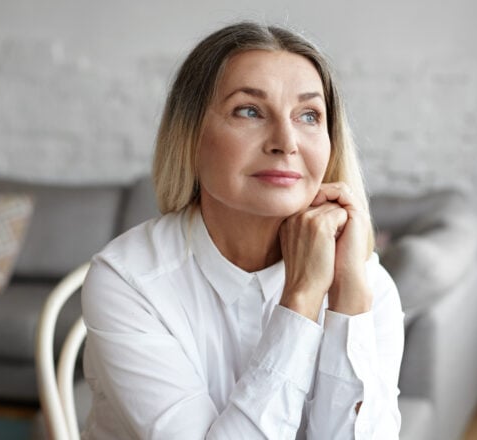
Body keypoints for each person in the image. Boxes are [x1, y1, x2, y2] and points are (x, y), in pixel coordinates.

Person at [81, 21, 404, 439]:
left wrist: (349, 303)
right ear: (190, 135)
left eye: (308, 115)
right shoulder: (128, 281)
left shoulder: (365, 283)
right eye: (249, 111)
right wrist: (302, 298)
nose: (286, 142)